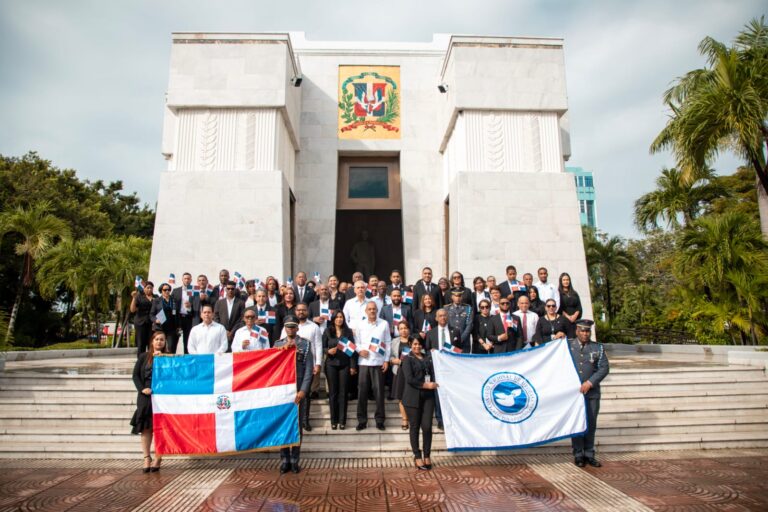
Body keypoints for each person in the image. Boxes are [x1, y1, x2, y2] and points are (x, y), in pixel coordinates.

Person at [274, 315, 314, 474]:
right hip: (282, 391)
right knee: (283, 425)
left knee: (297, 426)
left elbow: (309, 369)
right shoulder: (277, 345)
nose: (290, 329)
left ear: (298, 328)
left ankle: (295, 460)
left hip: (298, 391)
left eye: (293, 326)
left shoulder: (305, 344)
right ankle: (284, 459)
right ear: (285, 328)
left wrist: (303, 390)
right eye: (288, 326)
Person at [569, 319, 609, 468]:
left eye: (587, 331)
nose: (585, 334)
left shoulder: (597, 348)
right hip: (575, 394)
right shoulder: (568, 346)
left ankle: (589, 454)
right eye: (582, 331)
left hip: (592, 392)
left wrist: (590, 382)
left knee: (591, 423)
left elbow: (604, 368)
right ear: (577, 331)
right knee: (577, 423)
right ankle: (578, 454)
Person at [279, 303, 322, 431]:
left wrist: (318, 363)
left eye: (304, 310)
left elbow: (318, 346)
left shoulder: (314, 327)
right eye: (299, 310)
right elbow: (281, 345)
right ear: (295, 311)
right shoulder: (285, 328)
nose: (301, 312)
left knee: (305, 395)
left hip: (306, 364)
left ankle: (305, 420)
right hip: (287, 372)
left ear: (307, 311)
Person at [130, 330, 168, 473]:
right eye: (157, 339)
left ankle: (158, 457)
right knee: (146, 428)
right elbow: (135, 375)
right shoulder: (143, 357)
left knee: (160, 428)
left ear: (165, 343)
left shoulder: (169, 358)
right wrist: (142, 389)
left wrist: (162, 359)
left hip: (163, 398)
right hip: (146, 396)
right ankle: (146, 457)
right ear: (152, 341)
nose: (159, 342)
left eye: (162, 340)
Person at [401, 337, 438, 471]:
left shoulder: (428, 357)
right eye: (415, 344)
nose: (417, 346)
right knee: (415, 427)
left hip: (428, 397)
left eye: (419, 344)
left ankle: (427, 455)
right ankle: (417, 456)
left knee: (427, 427)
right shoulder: (407, 359)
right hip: (412, 398)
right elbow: (409, 379)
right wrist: (425, 385)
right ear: (410, 344)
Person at [354, 301, 391, 431]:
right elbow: (356, 342)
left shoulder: (384, 323)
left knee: (379, 392)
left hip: (378, 362)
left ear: (377, 310)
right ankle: (362, 420)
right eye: (369, 309)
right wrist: (359, 350)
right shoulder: (360, 324)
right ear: (366, 311)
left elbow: (387, 342)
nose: (372, 311)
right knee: (362, 392)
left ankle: (380, 420)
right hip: (364, 363)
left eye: (374, 309)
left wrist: (386, 360)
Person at [322, 311, 357, 430]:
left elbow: (352, 350)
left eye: (341, 317)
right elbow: (322, 347)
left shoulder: (348, 332)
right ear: (333, 319)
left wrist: (353, 366)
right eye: (337, 317)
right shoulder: (327, 331)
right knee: (333, 393)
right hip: (331, 364)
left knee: (343, 393)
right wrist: (328, 351)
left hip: (345, 365)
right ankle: (334, 420)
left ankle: (342, 421)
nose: (339, 319)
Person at [390, 321, 416, 425]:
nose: (403, 330)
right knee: (401, 396)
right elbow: (390, 355)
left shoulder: (414, 340)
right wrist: (392, 360)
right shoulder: (394, 341)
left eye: (405, 328)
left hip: (413, 371)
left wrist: (404, 361)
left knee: (412, 396)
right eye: (401, 328)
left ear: (409, 329)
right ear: (398, 330)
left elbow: (421, 353)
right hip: (399, 371)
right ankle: (404, 419)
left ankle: (413, 419)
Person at [213, 280, 246, 349]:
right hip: (221, 334)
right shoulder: (219, 303)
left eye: (232, 289)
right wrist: (224, 331)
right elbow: (216, 318)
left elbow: (242, 319)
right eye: (228, 289)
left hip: (236, 334)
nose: (230, 290)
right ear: (225, 289)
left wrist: (232, 332)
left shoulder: (241, 303)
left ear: (235, 290)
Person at [150, 283, 179, 354]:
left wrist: (179, 326)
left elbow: (177, 314)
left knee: (171, 346)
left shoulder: (174, 300)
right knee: (159, 346)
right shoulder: (156, 300)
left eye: (169, 290)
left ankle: (171, 362)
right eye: (165, 290)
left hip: (171, 327)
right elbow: (151, 314)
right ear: (161, 291)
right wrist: (155, 320)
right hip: (160, 327)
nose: (167, 291)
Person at [171, 272, 195, 354]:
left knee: (187, 340)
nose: (187, 280)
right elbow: (172, 305)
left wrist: (190, 306)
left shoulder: (194, 290)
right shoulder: (176, 291)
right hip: (178, 318)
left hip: (189, 318)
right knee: (174, 339)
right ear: (182, 279)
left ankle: (187, 358)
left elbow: (197, 304)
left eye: (188, 278)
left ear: (191, 280)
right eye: (185, 278)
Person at [130, 280, 155, 356]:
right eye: (147, 288)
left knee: (152, 344)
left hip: (152, 324)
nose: (149, 289)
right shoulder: (139, 297)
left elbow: (160, 310)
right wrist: (134, 298)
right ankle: (141, 362)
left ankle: (150, 362)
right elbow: (132, 310)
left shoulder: (156, 297)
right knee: (141, 344)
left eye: (151, 288)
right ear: (144, 288)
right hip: (141, 323)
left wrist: (159, 321)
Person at [445, 288, 473, 352]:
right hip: (450, 340)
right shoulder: (446, 308)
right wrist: (452, 338)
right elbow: (446, 324)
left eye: (459, 296)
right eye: (455, 296)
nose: (457, 298)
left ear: (462, 297)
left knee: (465, 360)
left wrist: (461, 339)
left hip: (464, 341)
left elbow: (469, 325)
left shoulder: (468, 308)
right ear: (452, 297)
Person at [558, 272, 582, 338]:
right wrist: (568, 317)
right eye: (564, 280)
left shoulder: (574, 293)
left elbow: (579, 307)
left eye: (567, 280)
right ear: (561, 281)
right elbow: (559, 308)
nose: (566, 281)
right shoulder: (558, 293)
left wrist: (575, 316)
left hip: (575, 320)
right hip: (564, 320)